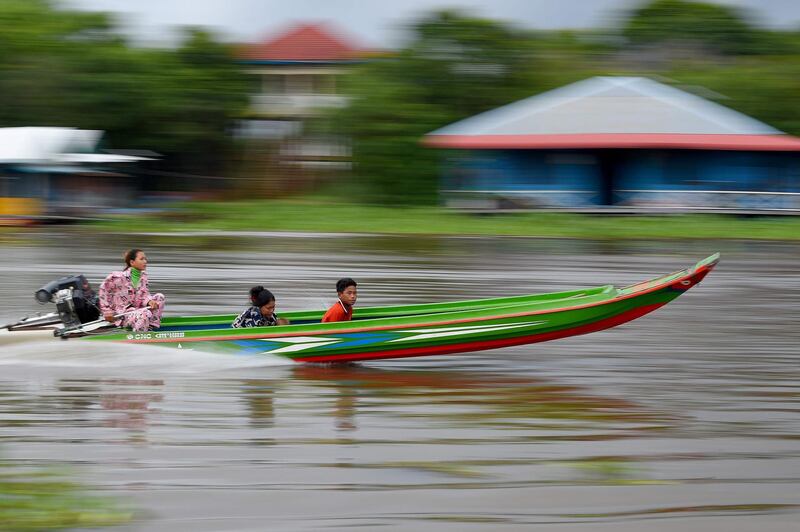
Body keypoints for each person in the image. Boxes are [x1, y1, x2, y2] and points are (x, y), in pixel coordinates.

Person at [98, 249, 166, 332]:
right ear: (132, 262)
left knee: (160, 297)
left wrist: (149, 301)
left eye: (145, 259)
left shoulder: (143, 276)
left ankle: (151, 326)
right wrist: (107, 311)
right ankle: (140, 336)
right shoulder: (118, 277)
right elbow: (103, 290)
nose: (145, 261)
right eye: (141, 259)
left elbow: (144, 295)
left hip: (138, 311)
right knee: (145, 313)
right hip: (123, 315)